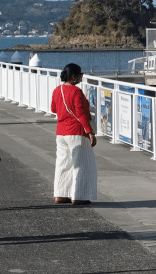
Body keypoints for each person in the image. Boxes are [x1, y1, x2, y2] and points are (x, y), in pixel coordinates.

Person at [50, 63, 97, 205]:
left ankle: (61, 194)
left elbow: (53, 109)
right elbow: (80, 113)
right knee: (81, 164)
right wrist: (90, 132)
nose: (82, 77)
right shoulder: (76, 92)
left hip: (61, 132)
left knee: (63, 164)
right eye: (80, 75)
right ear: (74, 77)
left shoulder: (57, 90)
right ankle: (79, 196)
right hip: (76, 132)